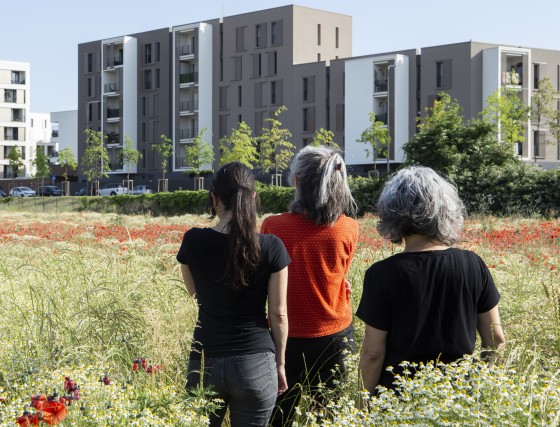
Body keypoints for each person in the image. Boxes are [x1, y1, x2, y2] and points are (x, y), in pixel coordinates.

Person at [356, 166, 505, 399]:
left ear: (392, 212)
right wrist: (478, 392)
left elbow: (373, 353)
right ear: (447, 210)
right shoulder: (473, 265)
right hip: (456, 400)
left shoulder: (381, 274)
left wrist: (362, 405)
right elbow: (495, 339)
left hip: (397, 401)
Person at [177, 162, 290, 427]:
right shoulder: (271, 246)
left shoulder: (193, 240)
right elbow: (279, 314)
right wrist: (281, 364)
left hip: (205, 359)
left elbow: (194, 292)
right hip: (257, 361)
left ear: (214, 199)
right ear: (252, 197)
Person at [260, 145, 359, 426]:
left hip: (285, 337)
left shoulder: (272, 226)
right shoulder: (349, 227)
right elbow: (339, 276)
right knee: (328, 416)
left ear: (296, 182)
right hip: (336, 335)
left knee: (280, 416)